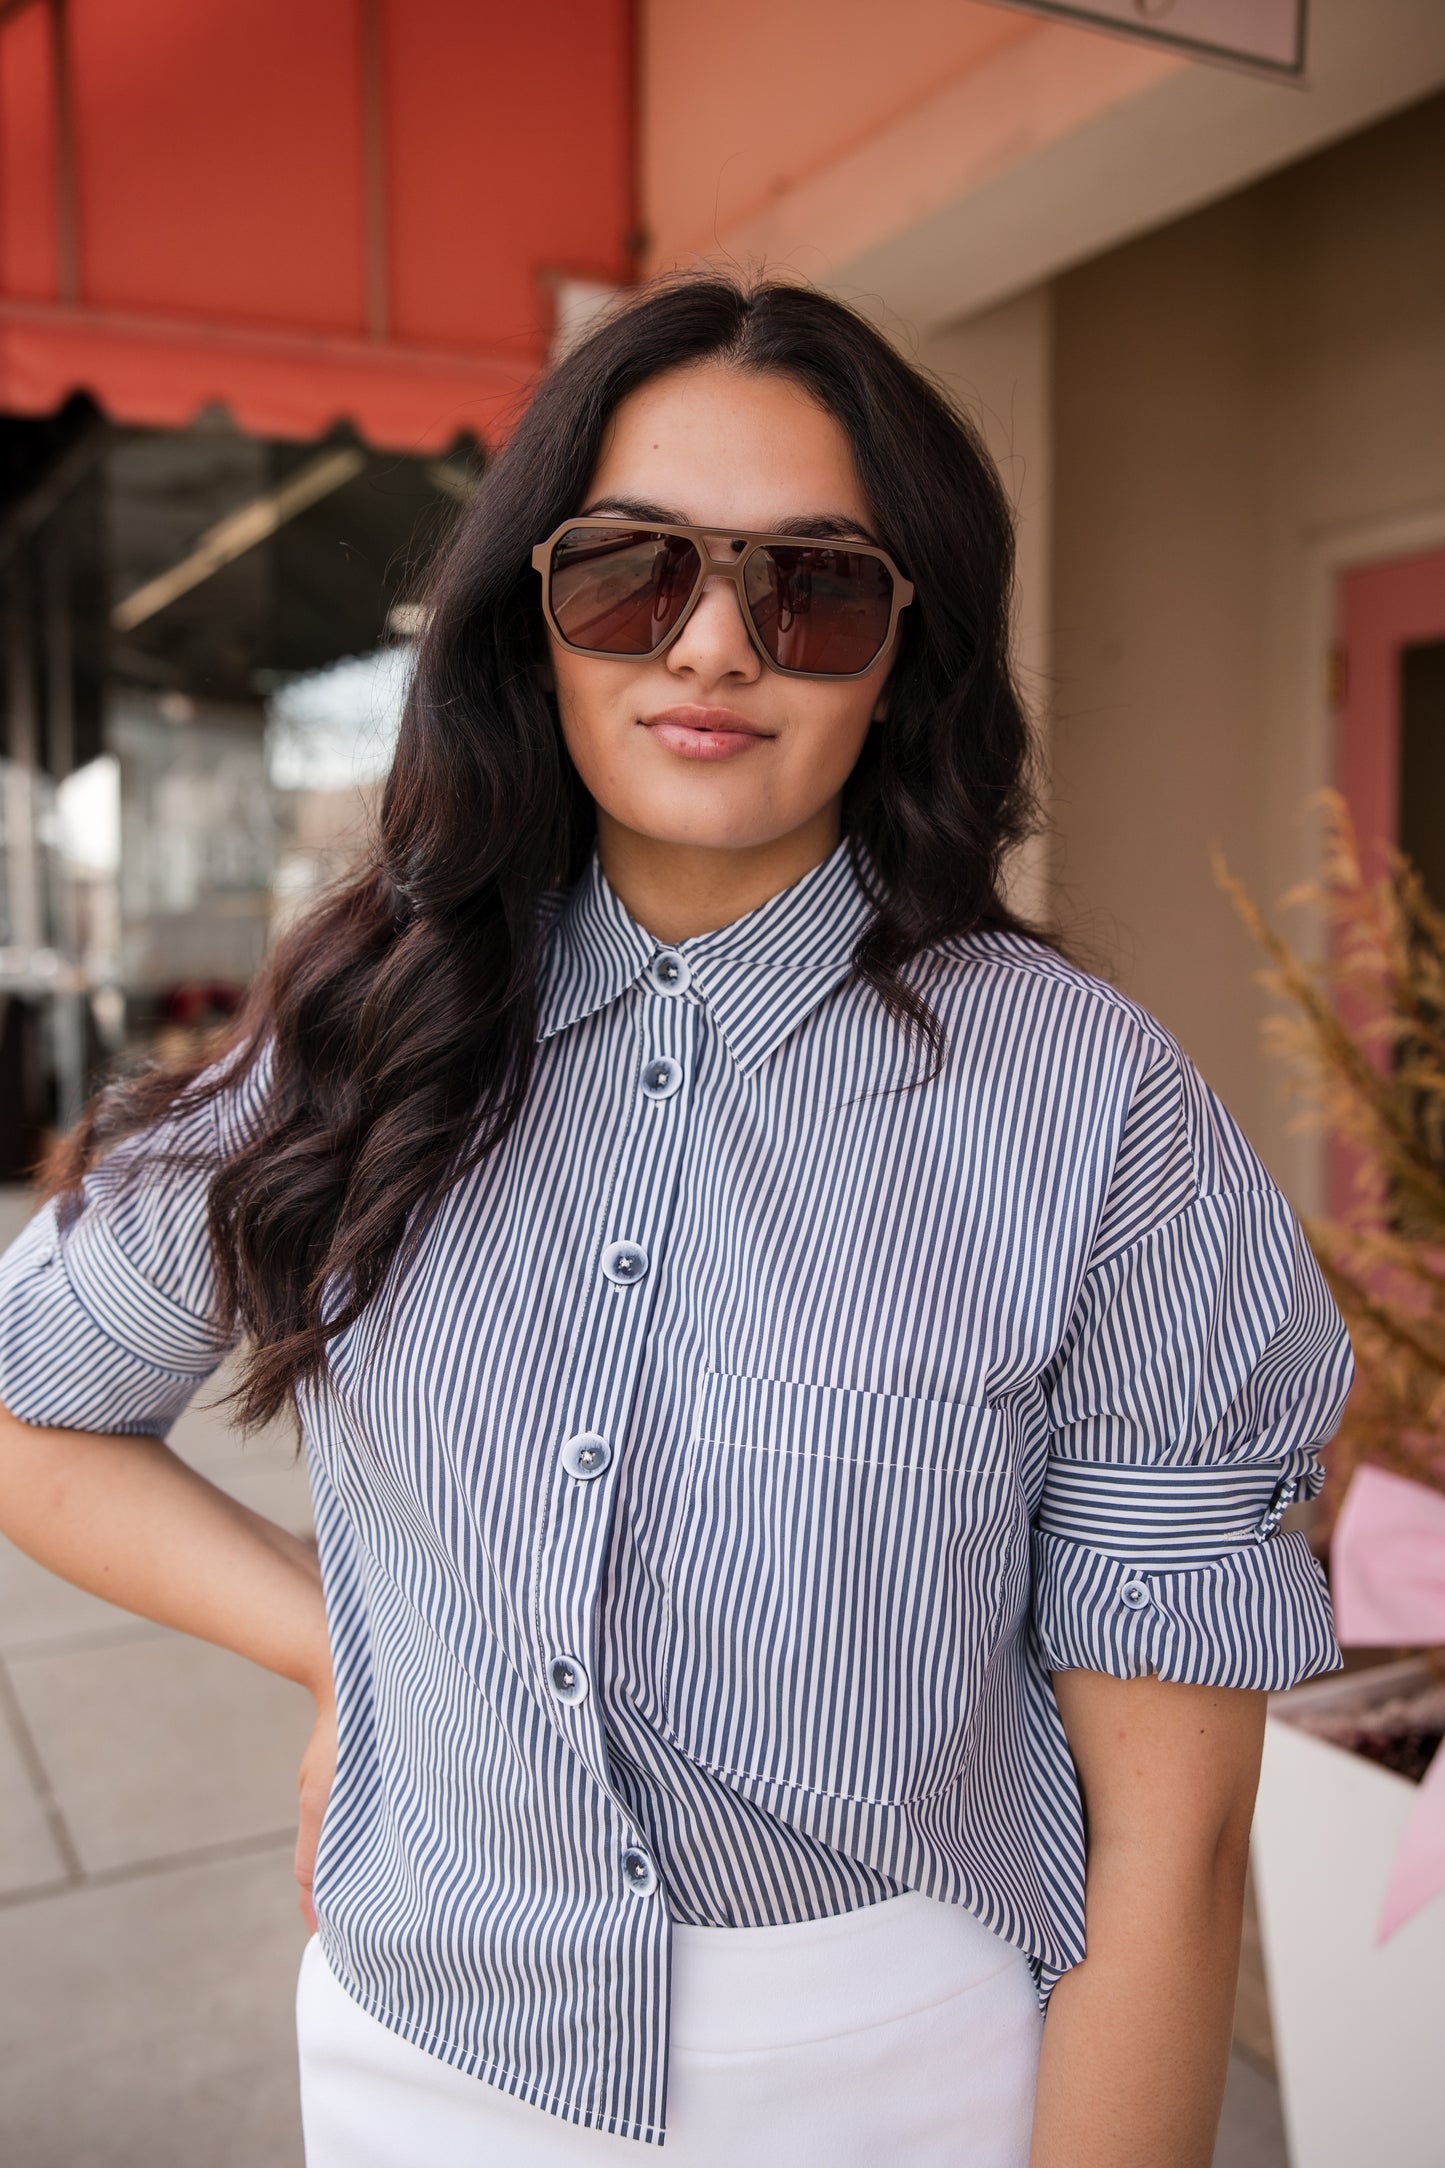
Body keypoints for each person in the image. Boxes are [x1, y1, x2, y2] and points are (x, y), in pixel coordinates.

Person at [0, 274, 1351, 2167]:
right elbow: (33, 1404)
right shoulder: (362, 1029)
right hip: (416, 2058)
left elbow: (1172, 1837)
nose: (712, 644)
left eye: (812, 587)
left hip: (894, 2071)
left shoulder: (1094, 1110)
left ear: (905, 657)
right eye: (634, 572)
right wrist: (356, 1652)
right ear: (529, 624)